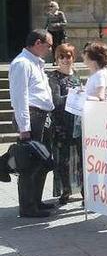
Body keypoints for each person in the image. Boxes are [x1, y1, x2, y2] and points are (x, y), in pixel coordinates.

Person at [9, 29, 55, 218]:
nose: (50, 49)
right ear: (38, 43)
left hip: (42, 116)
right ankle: (28, 206)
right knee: (29, 163)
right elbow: (20, 97)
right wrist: (24, 127)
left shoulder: (36, 63)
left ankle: (36, 200)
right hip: (32, 116)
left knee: (43, 161)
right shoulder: (22, 63)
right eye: (48, 45)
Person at [47, 43, 83, 206]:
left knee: (80, 158)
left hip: (76, 123)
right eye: (61, 56)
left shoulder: (76, 75)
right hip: (61, 124)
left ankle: (83, 189)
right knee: (63, 160)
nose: (65, 59)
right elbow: (55, 101)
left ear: (73, 58)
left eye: (68, 56)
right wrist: (72, 95)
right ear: (56, 59)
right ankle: (65, 190)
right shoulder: (54, 77)